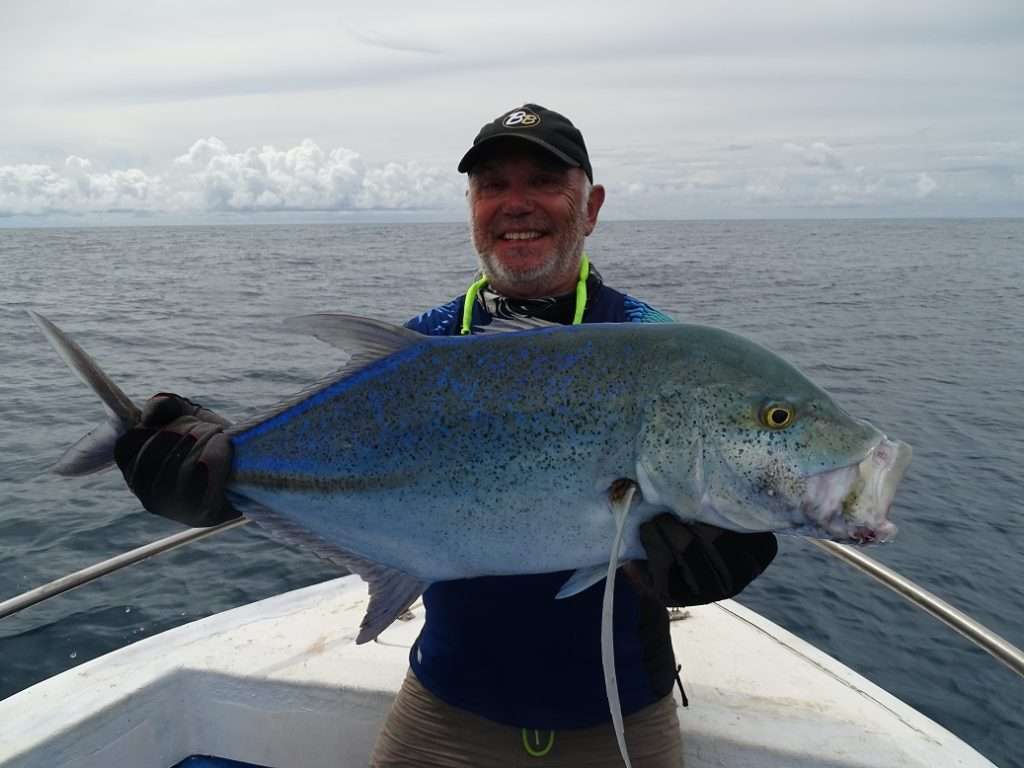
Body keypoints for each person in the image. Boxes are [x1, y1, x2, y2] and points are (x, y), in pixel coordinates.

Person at [114, 104, 778, 767]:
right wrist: (220, 484)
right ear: (471, 206)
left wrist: (737, 541)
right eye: (492, 186)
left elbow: (727, 467)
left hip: (620, 720)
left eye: (543, 182)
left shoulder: (656, 350)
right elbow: (332, 469)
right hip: (447, 714)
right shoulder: (420, 349)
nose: (515, 204)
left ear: (592, 205)